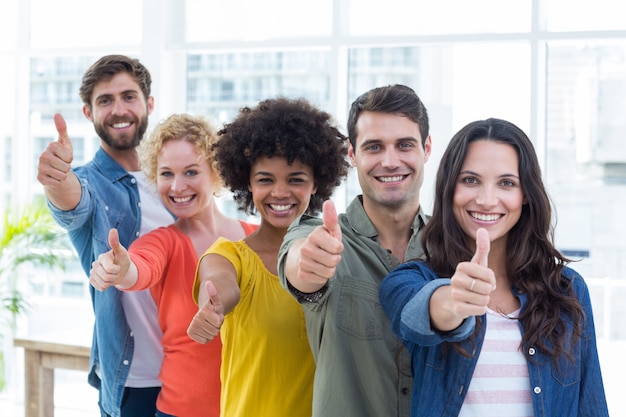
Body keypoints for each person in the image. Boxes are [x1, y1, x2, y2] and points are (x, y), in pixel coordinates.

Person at [379, 118, 609, 417]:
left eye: (506, 183)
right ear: (449, 189)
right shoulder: (411, 279)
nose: (487, 200)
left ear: (526, 194)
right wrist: (453, 301)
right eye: (470, 180)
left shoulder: (568, 289)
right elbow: (417, 313)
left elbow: (591, 404)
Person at [186, 97, 350, 417]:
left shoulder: (334, 258)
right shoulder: (229, 255)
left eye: (295, 179)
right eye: (265, 179)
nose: (279, 192)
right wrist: (215, 304)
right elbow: (220, 282)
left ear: (316, 183)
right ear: (247, 182)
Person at [277, 84, 431, 417]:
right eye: (374, 147)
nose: (390, 162)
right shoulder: (317, 234)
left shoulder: (451, 246)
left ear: (426, 148)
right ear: (352, 154)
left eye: (404, 145)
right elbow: (299, 264)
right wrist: (308, 264)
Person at [89, 113, 256, 417]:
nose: (177, 186)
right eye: (167, 174)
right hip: (180, 410)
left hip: (249, 407)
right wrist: (120, 269)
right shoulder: (163, 242)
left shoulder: (255, 238)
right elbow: (139, 269)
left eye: (191, 172)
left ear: (215, 172)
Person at [36, 54, 174, 417]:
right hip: (135, 382)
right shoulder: (90, 182)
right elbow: (72, 202)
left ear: (149, 104)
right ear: (88, 113)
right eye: (105, 100)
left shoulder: (178, 180)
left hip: (195, 370)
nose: (119, 109)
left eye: (129, 96)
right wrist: (57, 178)